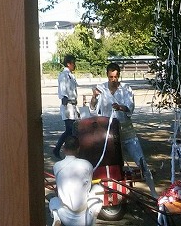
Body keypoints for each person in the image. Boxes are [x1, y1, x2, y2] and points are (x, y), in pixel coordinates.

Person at [89, 61, 157, 197]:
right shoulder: (100, 88)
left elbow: (130, 108)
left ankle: (154, 193)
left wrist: (121, 107)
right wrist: (94, 97)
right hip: (109, 134)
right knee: (112, 165)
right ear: (107, 76)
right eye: (110, 77)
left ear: (119, 76)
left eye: (115, 77)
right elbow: (93, 110)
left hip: (126, 131)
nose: (113, 80)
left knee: (141, 161)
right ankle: (116, 194)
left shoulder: (126, 89)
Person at [49, 135, 104, 226]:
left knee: (53, 200)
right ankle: (93, 216)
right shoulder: (87, 165)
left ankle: (56, 216)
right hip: (85, 218)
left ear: (63, 148)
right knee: (98, 188)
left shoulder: (57, 166)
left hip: (65, 215)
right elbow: (88, 187)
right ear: (78, 149)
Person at [54, 54, 79, 159]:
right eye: (73, 63)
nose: (74, 65)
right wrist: (66, 104)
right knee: (69, 130)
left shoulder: (70, 75)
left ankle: (70, 150)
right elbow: (63, 91)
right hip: (68, 105)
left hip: (72, 105)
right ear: (68, 64)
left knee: (73, 130)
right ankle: (58, 148)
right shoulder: (64, 75)